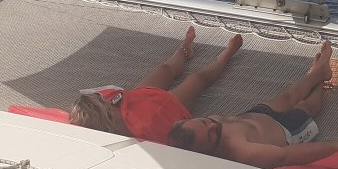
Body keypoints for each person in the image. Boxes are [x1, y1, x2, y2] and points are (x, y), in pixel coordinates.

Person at [167, 41, 338, 169]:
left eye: (204, 122)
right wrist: (336, 145)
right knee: (306, 108)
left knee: (288, 96)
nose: (212, 125)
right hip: (286, 132)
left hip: (256, 116)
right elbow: (285, 156)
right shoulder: (240, 151)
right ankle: (320, 82)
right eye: (210, 135)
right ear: (207, 153)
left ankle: (319, 73)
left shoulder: (195, 132)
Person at [68, 26, 243, 144]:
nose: (106, 99)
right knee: (197, 79)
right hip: (165, 106)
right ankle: (226, 56)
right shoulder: (145, 130)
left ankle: (184, 48)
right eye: (104, 102)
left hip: (138, 99)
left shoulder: (112, 106)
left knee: (165, 68)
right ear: (108, 117)